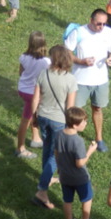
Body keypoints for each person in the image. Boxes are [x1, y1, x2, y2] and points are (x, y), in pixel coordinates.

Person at [31, 45, 77, 210]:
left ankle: (47, 176)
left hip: (43, 116)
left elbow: (35, 99)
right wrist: (72, 126)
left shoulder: (44, 74)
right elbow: (70, 107)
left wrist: (34, 116)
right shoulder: (70, 79)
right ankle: (41, 191)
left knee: (47, 149)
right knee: (56, 156)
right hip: (59, 120)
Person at [66, 9, 111, 152]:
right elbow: (67, 53)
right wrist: (81, 61)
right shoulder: (79, 32)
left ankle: (99, 138)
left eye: (104, 24)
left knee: (98, 108)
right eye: (98, 24)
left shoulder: (108, 33)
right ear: (91, 20)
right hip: (80, 80)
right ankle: (72, 139)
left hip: (100, 80)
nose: (101, 27)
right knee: (76, 111)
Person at [55, 107, 101, 219]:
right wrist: (90, 151)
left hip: (64, 175)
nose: (86, 123)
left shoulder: (59, 134)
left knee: (67, 200)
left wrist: (59, 167)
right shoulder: (78, 141)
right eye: (84, 121)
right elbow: (80, 163)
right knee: (87, 198)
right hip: (80, 178)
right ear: (75, 125)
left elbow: (56, 152)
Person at [16, 31, 50, 159]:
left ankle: (36, 138)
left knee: (32, 114)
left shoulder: (23, 57)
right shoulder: (46, 62)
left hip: (23, 90)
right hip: (34, 94)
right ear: (44, 44)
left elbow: (21, 73)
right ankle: (20, 148)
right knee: (26, 119)